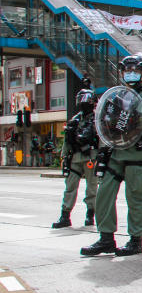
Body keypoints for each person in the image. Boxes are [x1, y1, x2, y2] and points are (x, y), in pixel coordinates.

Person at [81, 55, 142, 257]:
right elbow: (106, 120)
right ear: (122, 73)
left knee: (136, 197)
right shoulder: (117, 95)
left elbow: (140, 120)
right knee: (104, 194)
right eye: (127, 71)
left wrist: (122, 120)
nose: (131, 74)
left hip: (137, 153)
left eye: (136, 71)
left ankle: (136, 240)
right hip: (115, 152)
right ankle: (106, 238)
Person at [52, 89, 99, 229]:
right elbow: (67, 140)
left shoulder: (97, 119)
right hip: (75, 158)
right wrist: (64, 158)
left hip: (91, 156)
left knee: (92, 188)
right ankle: (65, 215)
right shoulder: (75, 120)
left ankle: (90, 214)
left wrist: (102, 156)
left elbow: (102, 138)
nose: (84, 103)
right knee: (70, 187)